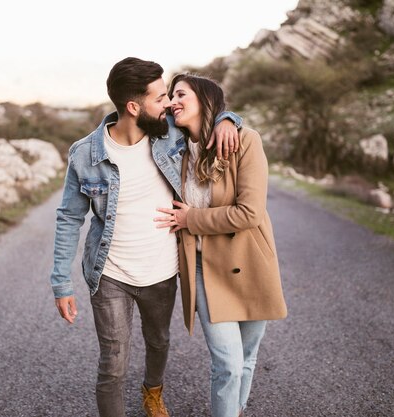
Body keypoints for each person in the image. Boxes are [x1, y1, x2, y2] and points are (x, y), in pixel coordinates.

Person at [49, 57, 242, 417]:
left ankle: (152, 392)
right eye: (160, 97)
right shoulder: (85, 155)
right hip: (110, 275)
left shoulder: (169, 132)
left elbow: (210, 116)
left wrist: (230, 120)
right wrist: (61, 282)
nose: (169, 103)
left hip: (163, 269)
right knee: (113, 361)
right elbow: (68, 219)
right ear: (133, 107)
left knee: (159, 341)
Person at [155, 73, 288, 417]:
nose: (172, 101)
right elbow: (135, 120)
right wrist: (229, 116)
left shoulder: (245, 140)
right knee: (228, 363)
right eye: (171, 96)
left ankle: (234, 410)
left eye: (181, 93)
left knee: (247, 356)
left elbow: (250, 212)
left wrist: (191, 220)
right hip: (202, 266)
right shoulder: (172, 148)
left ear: (205, 99)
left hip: (250, 261)